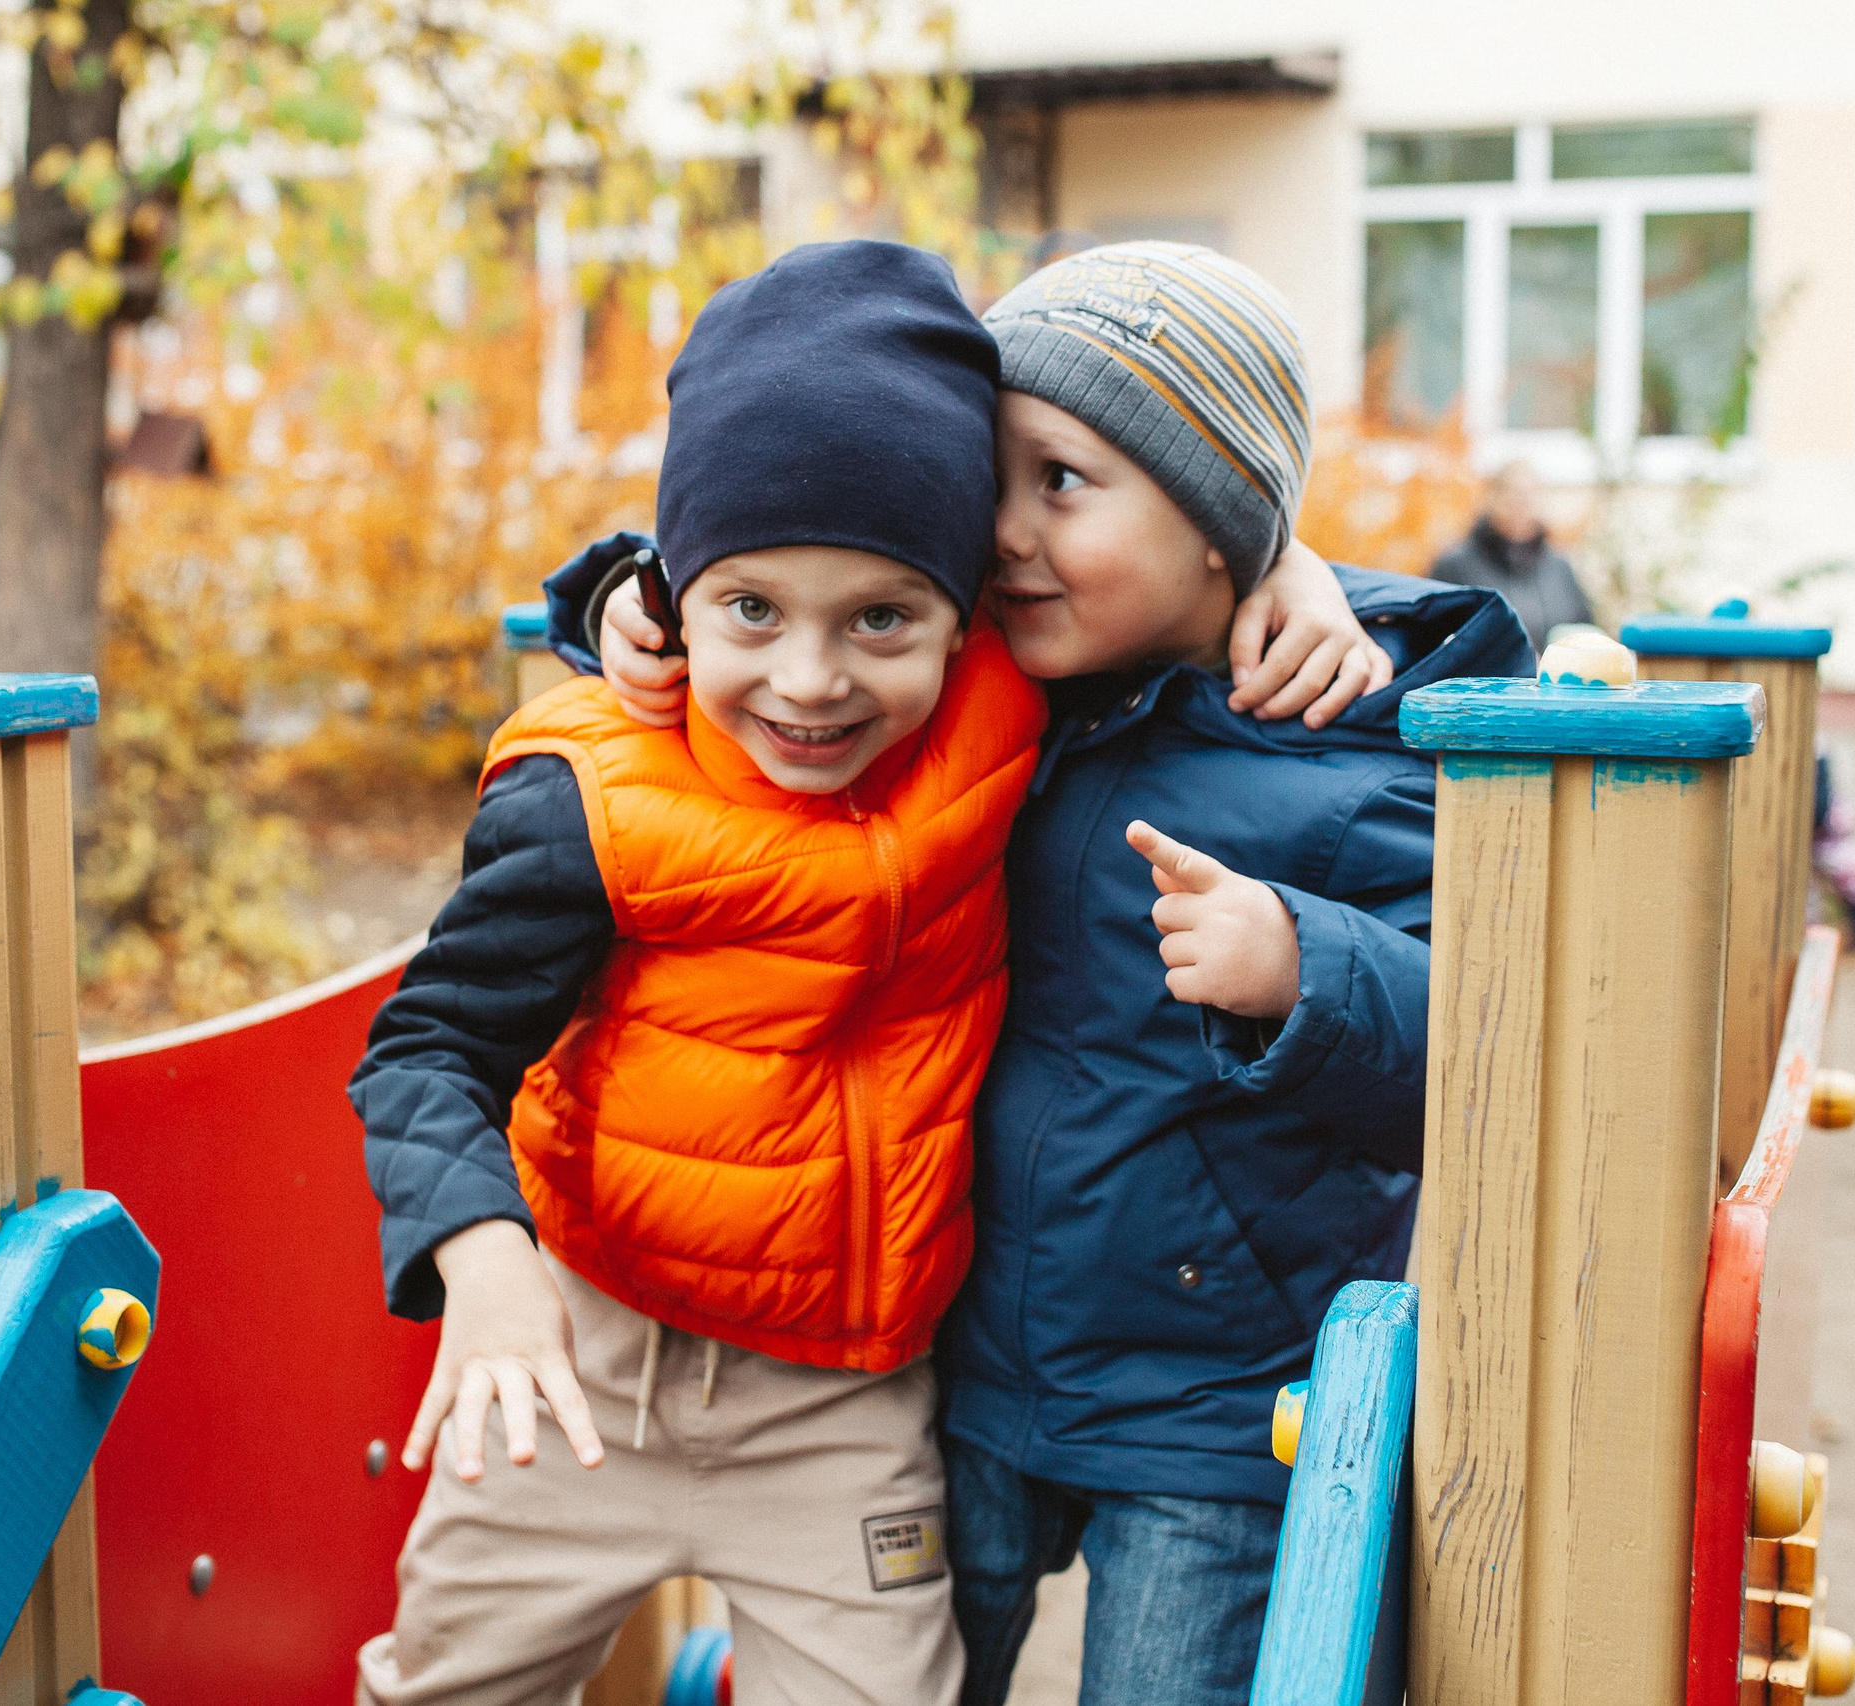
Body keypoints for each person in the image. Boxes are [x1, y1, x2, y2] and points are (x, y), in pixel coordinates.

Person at [347, 240, 1383, 1706]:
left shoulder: (1001, 711)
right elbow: (424, 1049)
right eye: (749, 611)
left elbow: (1154, 567)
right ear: (681, 601)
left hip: (841, 1405)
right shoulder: (589, 799)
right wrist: (485, 1262)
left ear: (963, 612)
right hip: (577, 1353)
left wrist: (1288, 560)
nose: (815, 681)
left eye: (880, 619)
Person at [587, 241, 1535, 1706]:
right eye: (996, 481)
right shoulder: (981, 682)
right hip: (958, 1361)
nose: (1005, 532)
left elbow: (1482, 1057)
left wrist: (1311, 970)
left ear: (1222, 528)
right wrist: (625, 602)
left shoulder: (1355, 747)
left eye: (1063, 484)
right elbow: (788, 528)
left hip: (1211, 1408)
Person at [1430, 459, 1594, 650]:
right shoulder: (1454, 565)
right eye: (1512, 496)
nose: (1521, 505)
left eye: (1529, 496)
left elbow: (1585, 631)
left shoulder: (1559, 566)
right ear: (1491, 498)